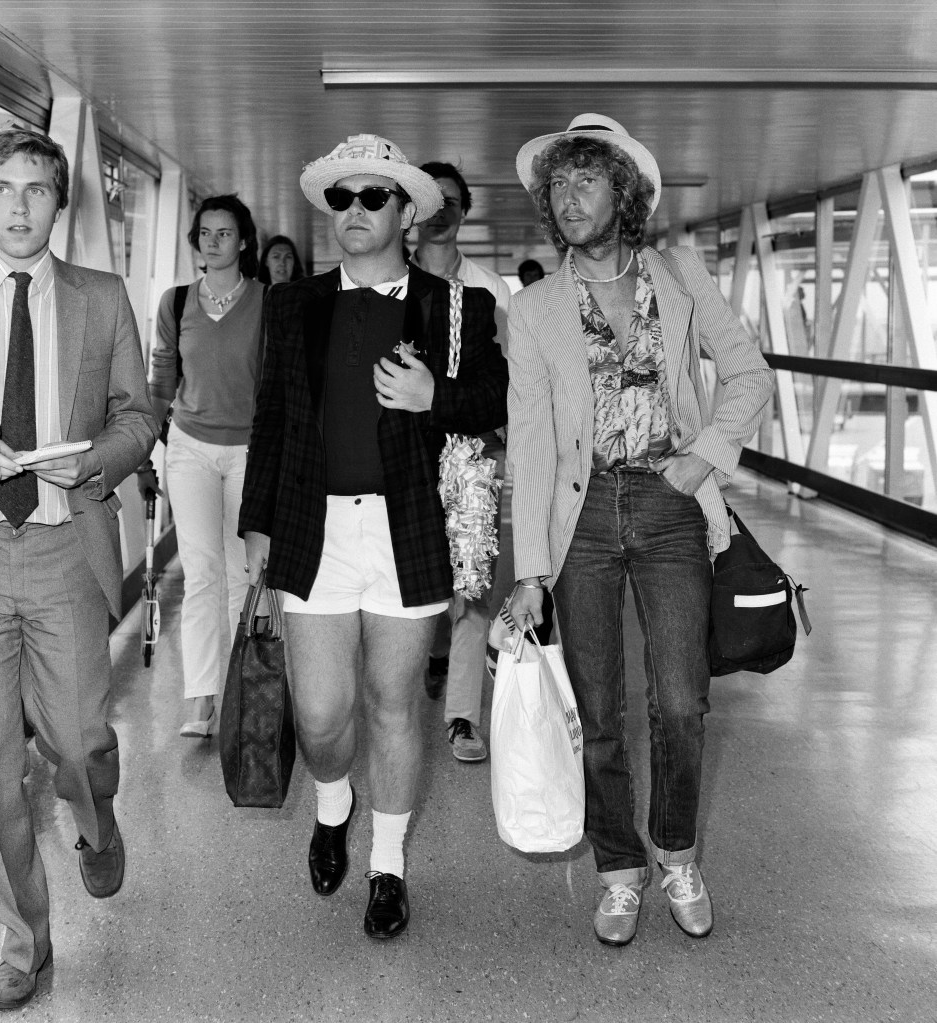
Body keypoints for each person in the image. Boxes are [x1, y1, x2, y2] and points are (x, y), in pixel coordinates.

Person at [506, 114, 774, 947]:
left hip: (666, 502)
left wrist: (703, 458)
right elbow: (531, 438)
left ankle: (677, 852)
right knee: (597, 708)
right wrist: (528, 566)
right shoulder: (535, 309)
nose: (567, 196)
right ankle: (619, 870)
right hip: (578, 516)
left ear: (622, 193)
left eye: (586, 179)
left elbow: (748, 375)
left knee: (681, 700)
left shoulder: (680, 274)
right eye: (557, 183)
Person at [239, 134, 507, 939]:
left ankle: (387, 866)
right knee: (320, 714)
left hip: (406, 528)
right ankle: (332, 803)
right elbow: (273, 419)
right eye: (341, 199)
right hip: (313, 528)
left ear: (405, 212)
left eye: (371, 197)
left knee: (394, 703)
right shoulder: (291, 305)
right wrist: (255, 520)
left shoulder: (456, 305)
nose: (352, 212)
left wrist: (436, 395)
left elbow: (492, 402)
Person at [0, 126, 158, 1009]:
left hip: (67, 547)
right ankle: (24, 942)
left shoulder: (101, 298)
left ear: (59, 202)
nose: (19, 205)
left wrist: (98, 458)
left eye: (37, 189)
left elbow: (139, 414)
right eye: (2, 189)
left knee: (78, 739)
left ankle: (96, 822)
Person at [148, 195, 265, 737]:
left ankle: (243, 688)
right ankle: (200, 697)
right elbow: (160, 386)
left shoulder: (268, 302)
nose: (214, 242)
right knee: (201, 573)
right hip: (189, 447)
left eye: (225, 233)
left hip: (249, 451)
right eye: (205, 233)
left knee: (244, 573)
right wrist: (147, 449)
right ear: (195, 240)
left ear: (243, 241)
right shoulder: (175, 304)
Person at [413, 160, 510, 763]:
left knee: (473, 585)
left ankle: (461, 717)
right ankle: (426, 656)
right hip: (409, 457)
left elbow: (507, 382)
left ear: (466, 211)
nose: (443, 210)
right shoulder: (390, 284)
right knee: (417, 581)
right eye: (433, 200)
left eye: (454, 201)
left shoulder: (490, 291)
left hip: (475, 450)